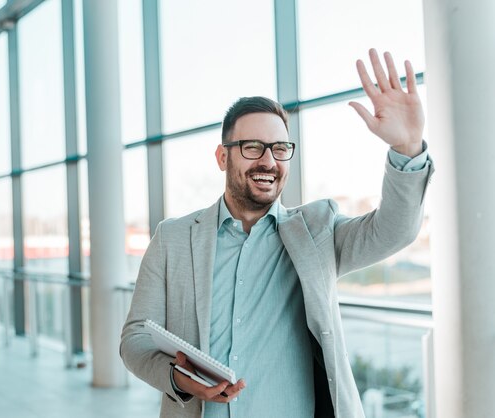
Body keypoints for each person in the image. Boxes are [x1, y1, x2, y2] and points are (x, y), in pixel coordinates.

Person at [120, 49, 434, 418]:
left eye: (280, 148)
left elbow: (394, 231)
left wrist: (407, 148)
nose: (268, 161)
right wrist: (177, 378)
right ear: (223, 157)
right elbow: (135, 338)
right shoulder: (172, 239)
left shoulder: (318, 231)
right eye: (252, 147)